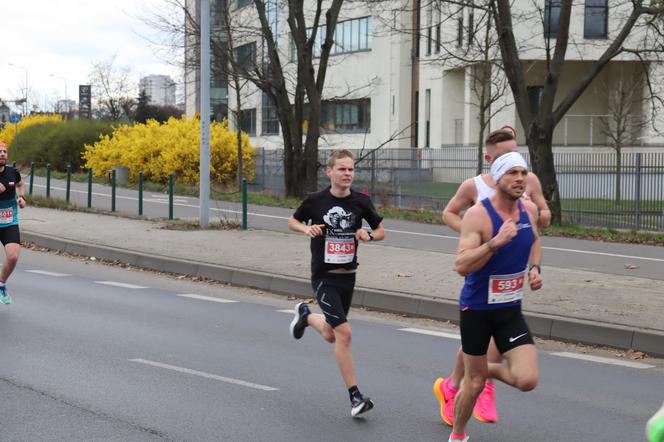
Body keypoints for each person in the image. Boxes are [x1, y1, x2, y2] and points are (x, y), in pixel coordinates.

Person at [434, 127, 550, 425]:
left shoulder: (526, 193)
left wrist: (534, 268)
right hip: (480, 292)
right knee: (475, 373)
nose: (520, 177)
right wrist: (485, 240)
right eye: (510, 167)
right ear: (492, 163)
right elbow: (452, 223)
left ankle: (474, 379)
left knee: (512, 373)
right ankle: (465, 410)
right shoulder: (475, 193)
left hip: (510, 302)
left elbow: (538, 229)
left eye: (522, 169)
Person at [287, 149, 385, 417]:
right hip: (323, 277)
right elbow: (292, 220)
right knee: (345, 334)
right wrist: (306, 229)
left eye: (351, 170)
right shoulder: (315, 201)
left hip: (348, 278)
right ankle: (356, 397)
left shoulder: (360, 202)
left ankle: (306, 316)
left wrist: (369, 235)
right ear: (329, 172)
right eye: (342, 169)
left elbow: (381, 231)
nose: (347, 174)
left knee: (332, 334)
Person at [0, 141, 27, 305]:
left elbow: (21, 184)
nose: (2, 154)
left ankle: (1, 284)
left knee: (13, 256)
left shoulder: (12, 172)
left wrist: (21, 197)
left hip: (9, 222)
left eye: (5, 152)